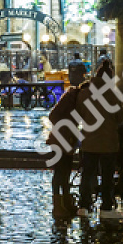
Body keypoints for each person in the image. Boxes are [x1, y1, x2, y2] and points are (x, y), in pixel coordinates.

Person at [77, 63, 123, 216]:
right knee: (107, 176)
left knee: (87, 174)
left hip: (89, 142)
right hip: (108, 143)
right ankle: (106, 206)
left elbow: (79, 113)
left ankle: (83, 205)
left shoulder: (85, 93)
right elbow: (120, 117)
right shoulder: (113, 95)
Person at [45, 63, 89, 207]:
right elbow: (53, 116)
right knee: (61, 170)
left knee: (63, 170)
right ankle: (59, 200)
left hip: (64, 139)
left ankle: (61, 199)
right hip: (62, 139)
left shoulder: (73, 97)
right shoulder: (72, 98)